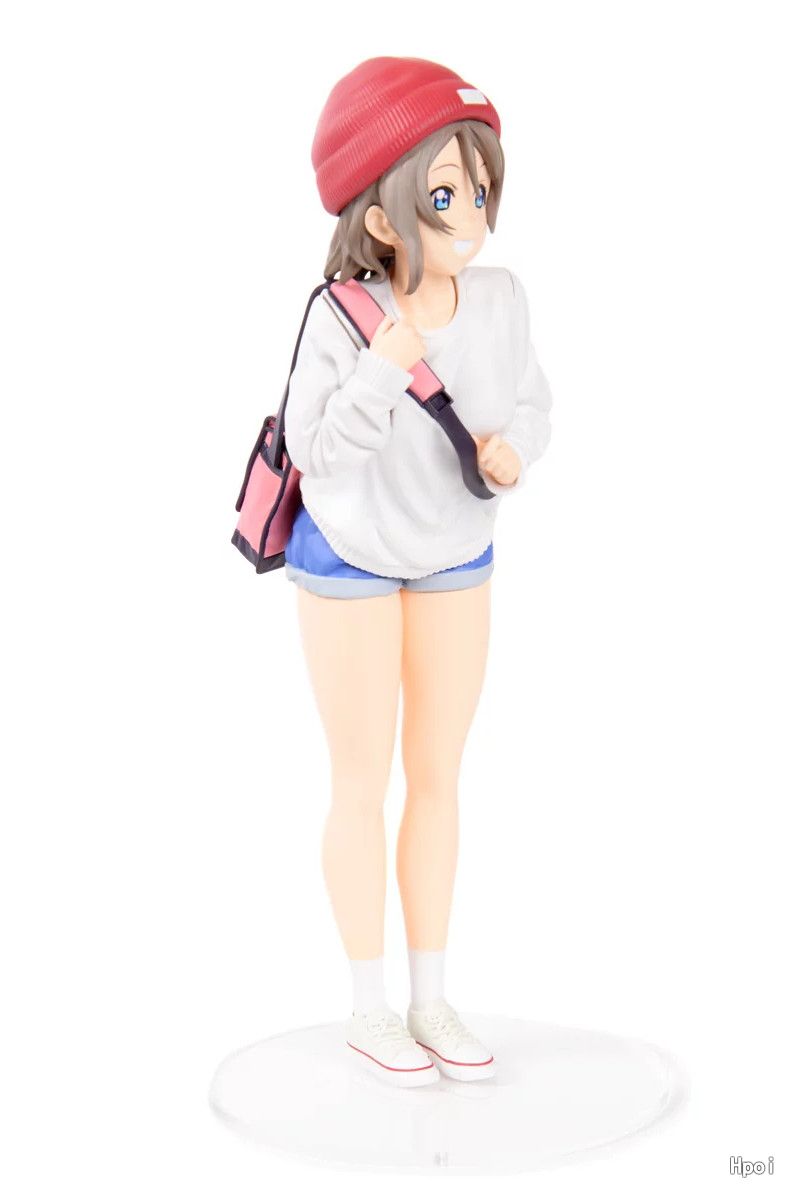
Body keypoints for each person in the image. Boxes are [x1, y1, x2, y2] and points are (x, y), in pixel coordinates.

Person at [282, 56, 553, 1087]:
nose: (471, 214)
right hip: (347, 554)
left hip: (455, 552)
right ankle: (369, 1006)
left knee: (439, 776)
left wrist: (514, 450)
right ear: (382, 218)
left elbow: (532, 401)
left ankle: (430, 995)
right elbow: (314, 453)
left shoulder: (503, 299)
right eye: (445, 196)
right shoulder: (339, 316)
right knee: (360, 781)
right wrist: (380, 372)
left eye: (479, 189)